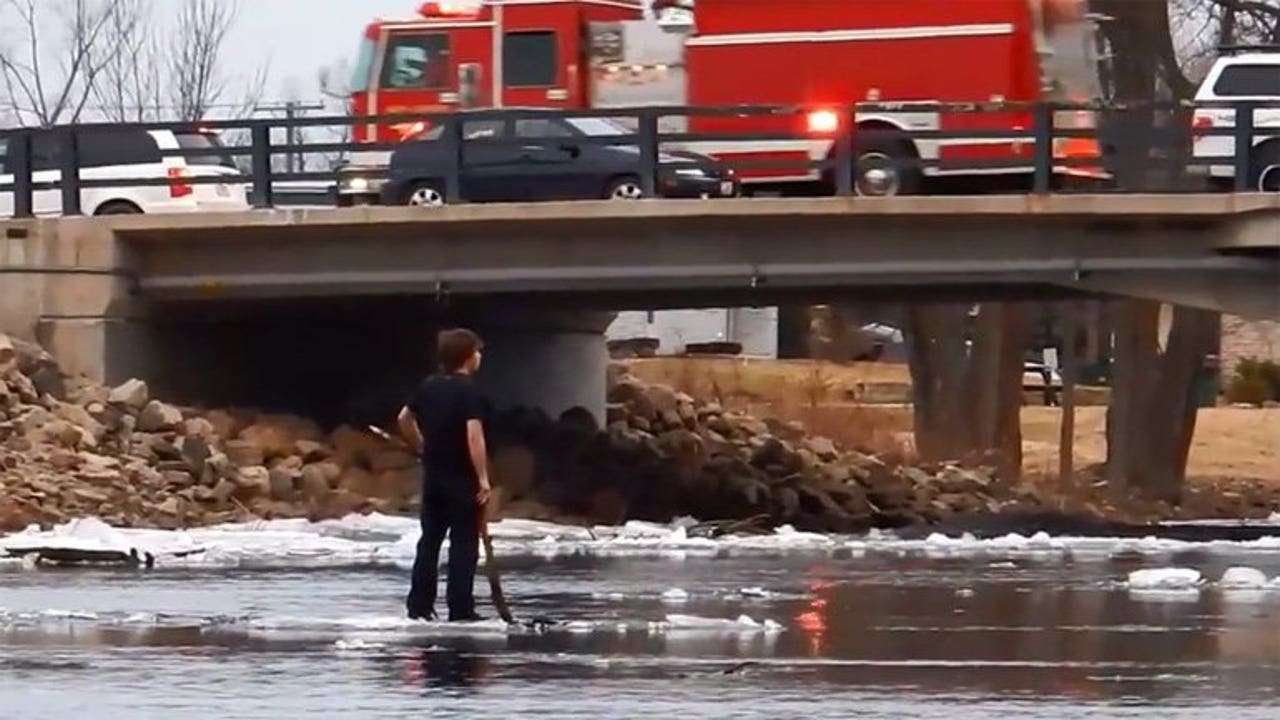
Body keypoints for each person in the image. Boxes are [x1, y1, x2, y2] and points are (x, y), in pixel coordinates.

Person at [397, 328, 492, 622]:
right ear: (466, 356)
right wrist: (483, 478)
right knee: (464, 543)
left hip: (434, 475)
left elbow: (403, 418)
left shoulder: (429, 385)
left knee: (430, 541)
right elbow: (474, 437)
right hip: (462, 477)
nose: (479, 356)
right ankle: (460, 608)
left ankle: (419, 606)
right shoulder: (469, 391)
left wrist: (422, 445)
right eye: (476, 351)